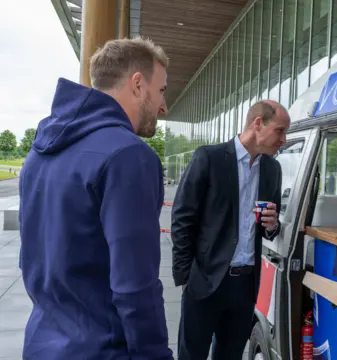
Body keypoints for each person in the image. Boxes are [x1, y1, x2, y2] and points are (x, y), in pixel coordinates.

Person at [18, 37, 173, 359]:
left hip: (42, 343)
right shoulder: (128, 156)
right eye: (161, 90)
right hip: (103, 349)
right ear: (137, 83)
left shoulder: (40, 151)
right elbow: (135, 286)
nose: (163, 106)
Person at [171, 100, 290, 360]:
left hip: (245, 285)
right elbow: (182, 218)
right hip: (204, 280)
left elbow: (270, 226)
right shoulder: (209, 158)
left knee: (231, 356)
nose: (284, 139)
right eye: (280, 130)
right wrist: (185, 277)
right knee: (192, 355)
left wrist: (272, 226)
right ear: (258, 123)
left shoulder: (272, 169)